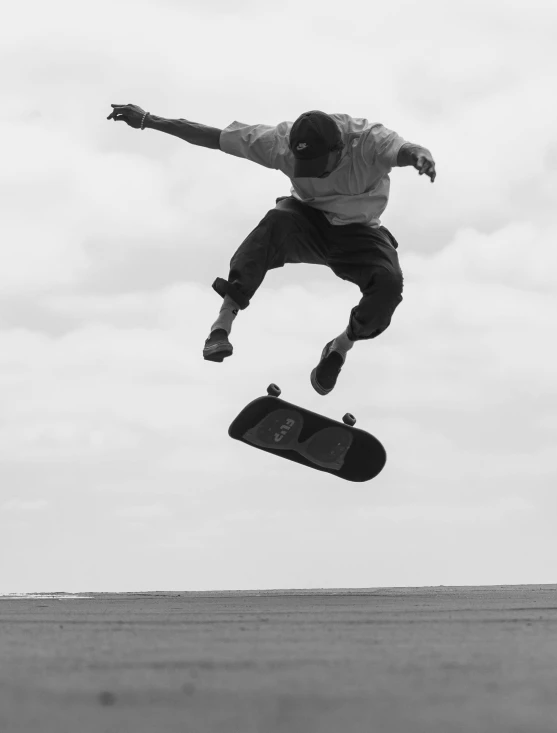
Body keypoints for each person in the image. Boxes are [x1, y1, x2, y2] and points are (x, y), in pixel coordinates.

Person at [107, 103, 436, 395]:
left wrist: (422, 157)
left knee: (389, 286)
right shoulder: (279, 144)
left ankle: (340, 346)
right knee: (275, 222)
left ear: (340, 149)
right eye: (306, 165)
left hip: (361, 234)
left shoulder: (368, 140)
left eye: (321, 165)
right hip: (307, 223)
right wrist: (149, 120)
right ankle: (221, 326)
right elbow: (212, 136)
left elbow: (407, 149)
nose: (315, 173)